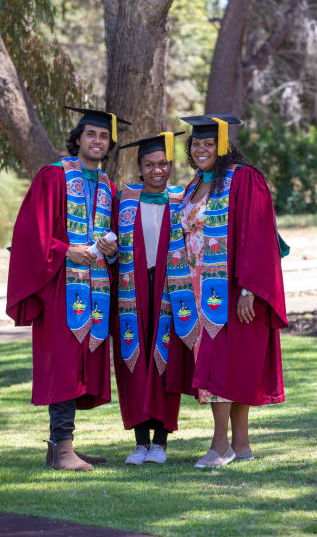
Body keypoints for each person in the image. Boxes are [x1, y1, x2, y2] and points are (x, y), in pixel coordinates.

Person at [6, 107, 129, 471]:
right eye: (91, 135)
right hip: (62, 284)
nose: (97, 141)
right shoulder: (53, 176)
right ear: (78, 139)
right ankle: (62, 451)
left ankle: (62, 445)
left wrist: (112, 247)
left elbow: (113, 237)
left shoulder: (107, 185)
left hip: (97, 288)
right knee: (62, 363)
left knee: (79, 364)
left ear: (109, 145)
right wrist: (65, 249)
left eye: (104, 137)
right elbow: (30, 233)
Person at [166, 114, 287, 468]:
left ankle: (221, 446)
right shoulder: (195, 185)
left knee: (223, 364)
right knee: (221, 362)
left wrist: (249, 287)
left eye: (208, 144)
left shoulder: (243, 179)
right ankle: (241, 445)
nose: (202, 149)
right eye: (196, 144)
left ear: (222, 146)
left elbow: (258, 232)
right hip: (194, 288)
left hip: (228, 288)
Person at [113, 131, 195, 465]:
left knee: (166, 357)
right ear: (140, 166)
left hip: (170, 289)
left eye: (162, 164)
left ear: (171, 165)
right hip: (132, 288)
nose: (157, 170)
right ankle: (139, 442)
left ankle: (160, 442)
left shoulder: (182, 200)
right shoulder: (125, 200)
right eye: (150, 164)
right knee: (135, 356)